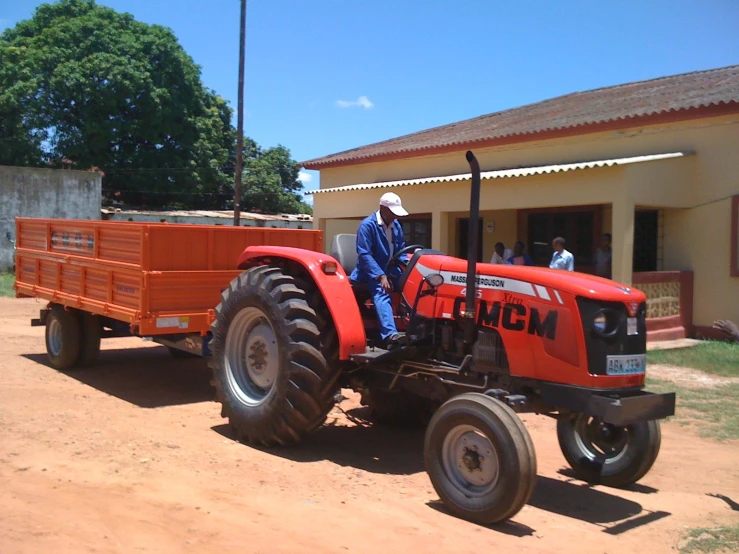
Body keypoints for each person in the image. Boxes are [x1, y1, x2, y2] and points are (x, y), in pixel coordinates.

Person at [350, 192, 409, 349]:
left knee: (413, 285)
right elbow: (364, 254)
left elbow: (400, 250)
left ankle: (414, 328)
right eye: (393, 212)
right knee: (382, 290)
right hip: (369, 272)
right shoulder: (367, 226)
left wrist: (406, 267)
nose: (395, 217)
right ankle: (390, 335)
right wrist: (380, 275)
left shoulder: (395, 225)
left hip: (390, 270)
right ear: (383, 208)